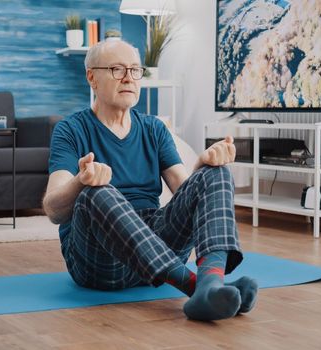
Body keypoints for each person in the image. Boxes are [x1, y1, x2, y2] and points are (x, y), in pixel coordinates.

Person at [43, 40, 257, 321]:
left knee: (216, 173)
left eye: (134, 70)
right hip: (102, 260)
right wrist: (81, 180)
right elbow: (53, 210)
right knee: (97, 192)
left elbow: (186, 192)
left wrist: (203, 166)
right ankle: (195, 288)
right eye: (117, 69)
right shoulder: (70, 130)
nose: (129, 78)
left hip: (156, 250)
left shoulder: (154, 128)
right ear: (91, 77)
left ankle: (211, 282)